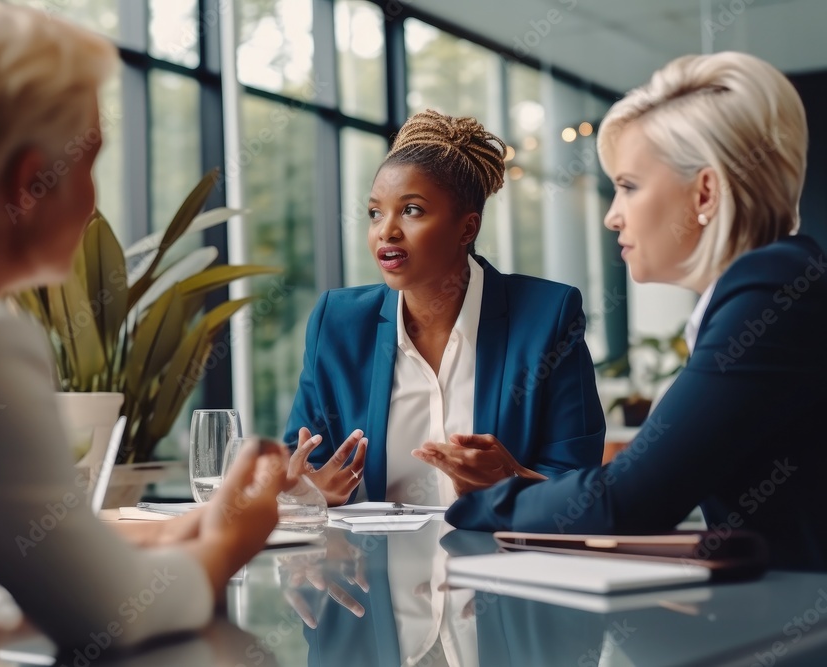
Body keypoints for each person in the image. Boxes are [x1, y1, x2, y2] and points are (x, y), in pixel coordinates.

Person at [0, 0, 289, 660]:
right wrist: (231, 540)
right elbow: (111, 614)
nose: (95, 197)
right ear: (28, 182)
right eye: (87, 159)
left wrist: (165, 534)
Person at [446, 52, 827, 570]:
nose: (611, 216)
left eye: (628, 186)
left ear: (706, 192)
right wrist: (521, 488)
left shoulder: (775, 288)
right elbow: (653, 482)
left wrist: (472, 507)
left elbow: (630, 500)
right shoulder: (771, 286)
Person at [285, 110, 605, 507]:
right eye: (375, 212)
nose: (386, 230)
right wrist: (311, 493)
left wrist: (512, 481)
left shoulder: (546, 316)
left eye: (412, 209)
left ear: (467, 229)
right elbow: (297, 468)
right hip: (367, 566)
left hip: (500, 564)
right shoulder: (338, 322)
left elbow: (580, 482)